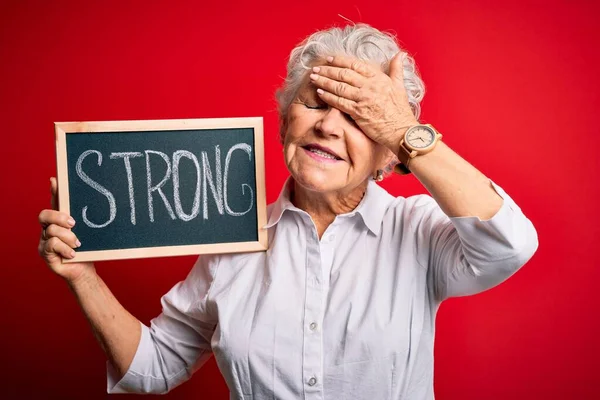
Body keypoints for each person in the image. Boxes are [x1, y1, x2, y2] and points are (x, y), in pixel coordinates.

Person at [38, 23, 538, 399]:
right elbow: (154, 367)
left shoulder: (418, 231)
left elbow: (509, 244)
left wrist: (405, 131)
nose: (328, 127)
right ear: (283, 123)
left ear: (390, 154)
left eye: (361, 118)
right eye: (316, 103)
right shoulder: (228, 235)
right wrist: (84, 277)